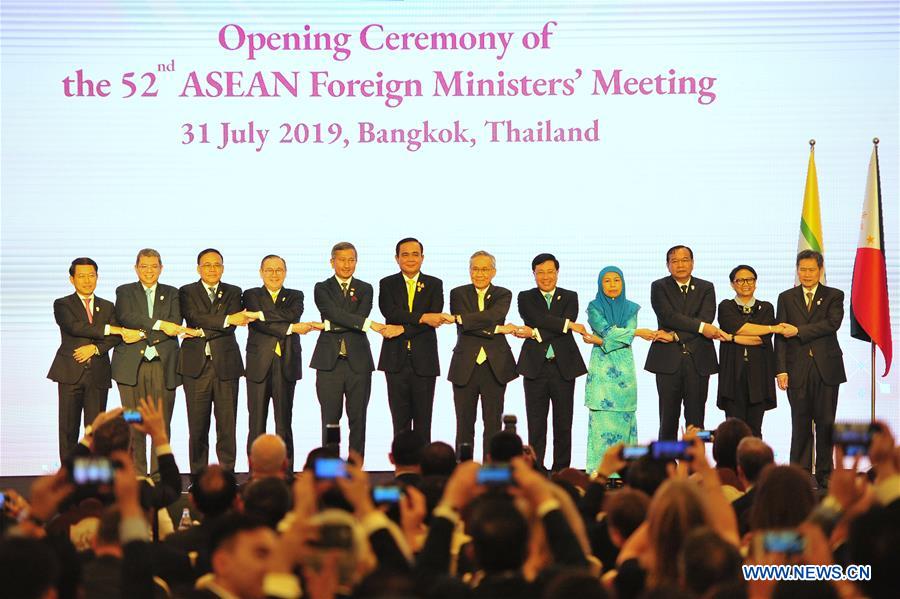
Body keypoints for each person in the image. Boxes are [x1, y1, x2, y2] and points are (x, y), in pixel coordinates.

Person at [48, 257, 142, 461]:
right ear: (72, 279)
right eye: (82, 276)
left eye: (91, 275)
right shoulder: (62, 304)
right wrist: (111, 329)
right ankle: (68, 474)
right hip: (70, 373)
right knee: (68, 430)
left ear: (97, 277)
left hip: (98, 374)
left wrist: (95, 348)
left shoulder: (107, 306)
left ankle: (94, 475)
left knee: (97, 431)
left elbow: (116, 337)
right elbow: (75, 327)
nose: (87, 280)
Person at [775, 250, 846, 488]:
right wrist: (781, 370)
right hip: (797, 369)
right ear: (797, 270)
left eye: (811, 270)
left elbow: (831, 324)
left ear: (820, 270)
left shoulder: (834, 295)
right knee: (800, 424)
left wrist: (798, 331)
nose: (806, 274)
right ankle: (799, 475)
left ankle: (825, 474)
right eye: (802, 269)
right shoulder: (786, 297)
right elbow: (780, 336)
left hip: (826, 369)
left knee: (826, 423)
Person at [242, 254, 321, 471]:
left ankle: (286, 474)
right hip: (259, 365)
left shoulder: (296, 295)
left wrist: (260, 315)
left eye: (279, 270)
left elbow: (292, 314)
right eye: (269, 270)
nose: (274, 274)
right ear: (261, 272)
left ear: (285, 272)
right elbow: (259, 325)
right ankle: (254, 473)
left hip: (286, 364)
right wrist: (291, 328)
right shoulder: (250, 295)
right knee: (256, 424)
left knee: (284, 423)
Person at [310, 241, 387, 458]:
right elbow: (332, 313)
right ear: (332, 262)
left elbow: (357, 316)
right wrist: (367, 324)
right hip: (329, 363)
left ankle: (355, 467)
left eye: (351, 260)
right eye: (342, 260)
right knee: (330, 420)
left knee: (358, 419)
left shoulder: (365, 288)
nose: (346, 265)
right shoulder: (322, 287)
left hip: (359, 363)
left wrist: (328, 326)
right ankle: (329, 467)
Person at [179, 248, 252, 473]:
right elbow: (193, 316)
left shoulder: (234, 291)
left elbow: (229, 326)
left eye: (217, 265)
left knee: (227, 427)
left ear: (223, 267)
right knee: (197, 427)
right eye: (207, 265)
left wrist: (200, 331)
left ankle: (227, 475)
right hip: (195, 367)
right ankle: (198, 477)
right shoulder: (186, 291)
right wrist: (226, 319)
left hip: (226, 366)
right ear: (198, 268)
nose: (212, 269)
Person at [111, 248, 183, 475]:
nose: (149, 271)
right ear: (136, 268)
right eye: (144, 266)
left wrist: (141, 333)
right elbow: (126, 317)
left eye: (154, 266)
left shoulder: (173, 293)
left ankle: (159, 476)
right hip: (131, 368)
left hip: (163, 366)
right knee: (133, 421)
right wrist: (159, 326)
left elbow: (175, 323)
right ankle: (138, 475)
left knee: (161, 423)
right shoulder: (124, 291)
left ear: (161, 268)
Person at [514, 253, 588, 472]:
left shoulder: (570, 296)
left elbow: (545, 324)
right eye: (540, 272)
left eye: (550, 272)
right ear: (533, 274)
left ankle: (561, 470)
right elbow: (536, 318)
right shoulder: (525, 297)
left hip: (563, 367)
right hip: (534, 368)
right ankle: (536, 469)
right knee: (536, 424)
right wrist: (567, 325)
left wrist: (535, 333)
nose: (545, 277)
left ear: (557, 272)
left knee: (563, 423)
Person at [581, 266, 656, 472]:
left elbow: (622, 338)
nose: (612, 285)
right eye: (607, 281)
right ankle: (600, 473)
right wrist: (637, 332)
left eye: (616, 280)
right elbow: (608, 332)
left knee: (625, 419)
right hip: (601, 371)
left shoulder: (631, 308)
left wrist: (600, 341)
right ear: (600, 284)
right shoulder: (594, 307)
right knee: (600, 420)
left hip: (625, 371)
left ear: (623, 283)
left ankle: (625, 472)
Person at [447, 250, 519, 456]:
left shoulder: (503, 294)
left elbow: (494, 315)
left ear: (493, 272)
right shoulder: (458, 293)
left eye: (485, 269)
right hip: (464, 366)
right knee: (464, 424)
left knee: (493, 424)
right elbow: (466, 326)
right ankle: (464, 469)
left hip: (495, 366)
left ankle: (492, 469)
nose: (479, 274)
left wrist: (464, 319)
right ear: (469, 271)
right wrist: (498, 329)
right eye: (475, 269)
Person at [644, 245, 719, 440]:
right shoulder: (659, 286)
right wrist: (699, 327)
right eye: (674, 261)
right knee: (667, 420)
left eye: (685, 260)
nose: (680, 265)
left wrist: (676, 336)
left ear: (692, 263)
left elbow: (706, 317)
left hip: (698, 360)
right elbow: (668, 317)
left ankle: (695, 459)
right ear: (667, 265)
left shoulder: (706, 287)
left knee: (697, 421)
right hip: (667, 361)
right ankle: (666, 459)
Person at [377, 237, 446, 442]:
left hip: (424, 361)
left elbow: (435, 317)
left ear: (422, 258)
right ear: (396, 258)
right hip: (394, 360)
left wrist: (402, 329)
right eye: (405, 254)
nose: (410, 259)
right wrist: (422, 317)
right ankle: (402, 461)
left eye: (415, 254)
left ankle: (424, 462)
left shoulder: (434, 284)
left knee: (424, 422)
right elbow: (391, 312)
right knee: (399, 423)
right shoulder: (387, 283)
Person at [715, 264, 779, 437]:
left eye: (750, 279)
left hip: (758, 375)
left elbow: (761, 338)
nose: (746, 283)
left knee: (755, 429)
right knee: (732, 431)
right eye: (740, 280)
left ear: (755, 282)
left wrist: (732, 338)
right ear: (732, 284)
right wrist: (770, 328)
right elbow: (738, 328)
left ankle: (755, 456)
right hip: (733, 374)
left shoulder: (766, 307)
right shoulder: (725, 306)